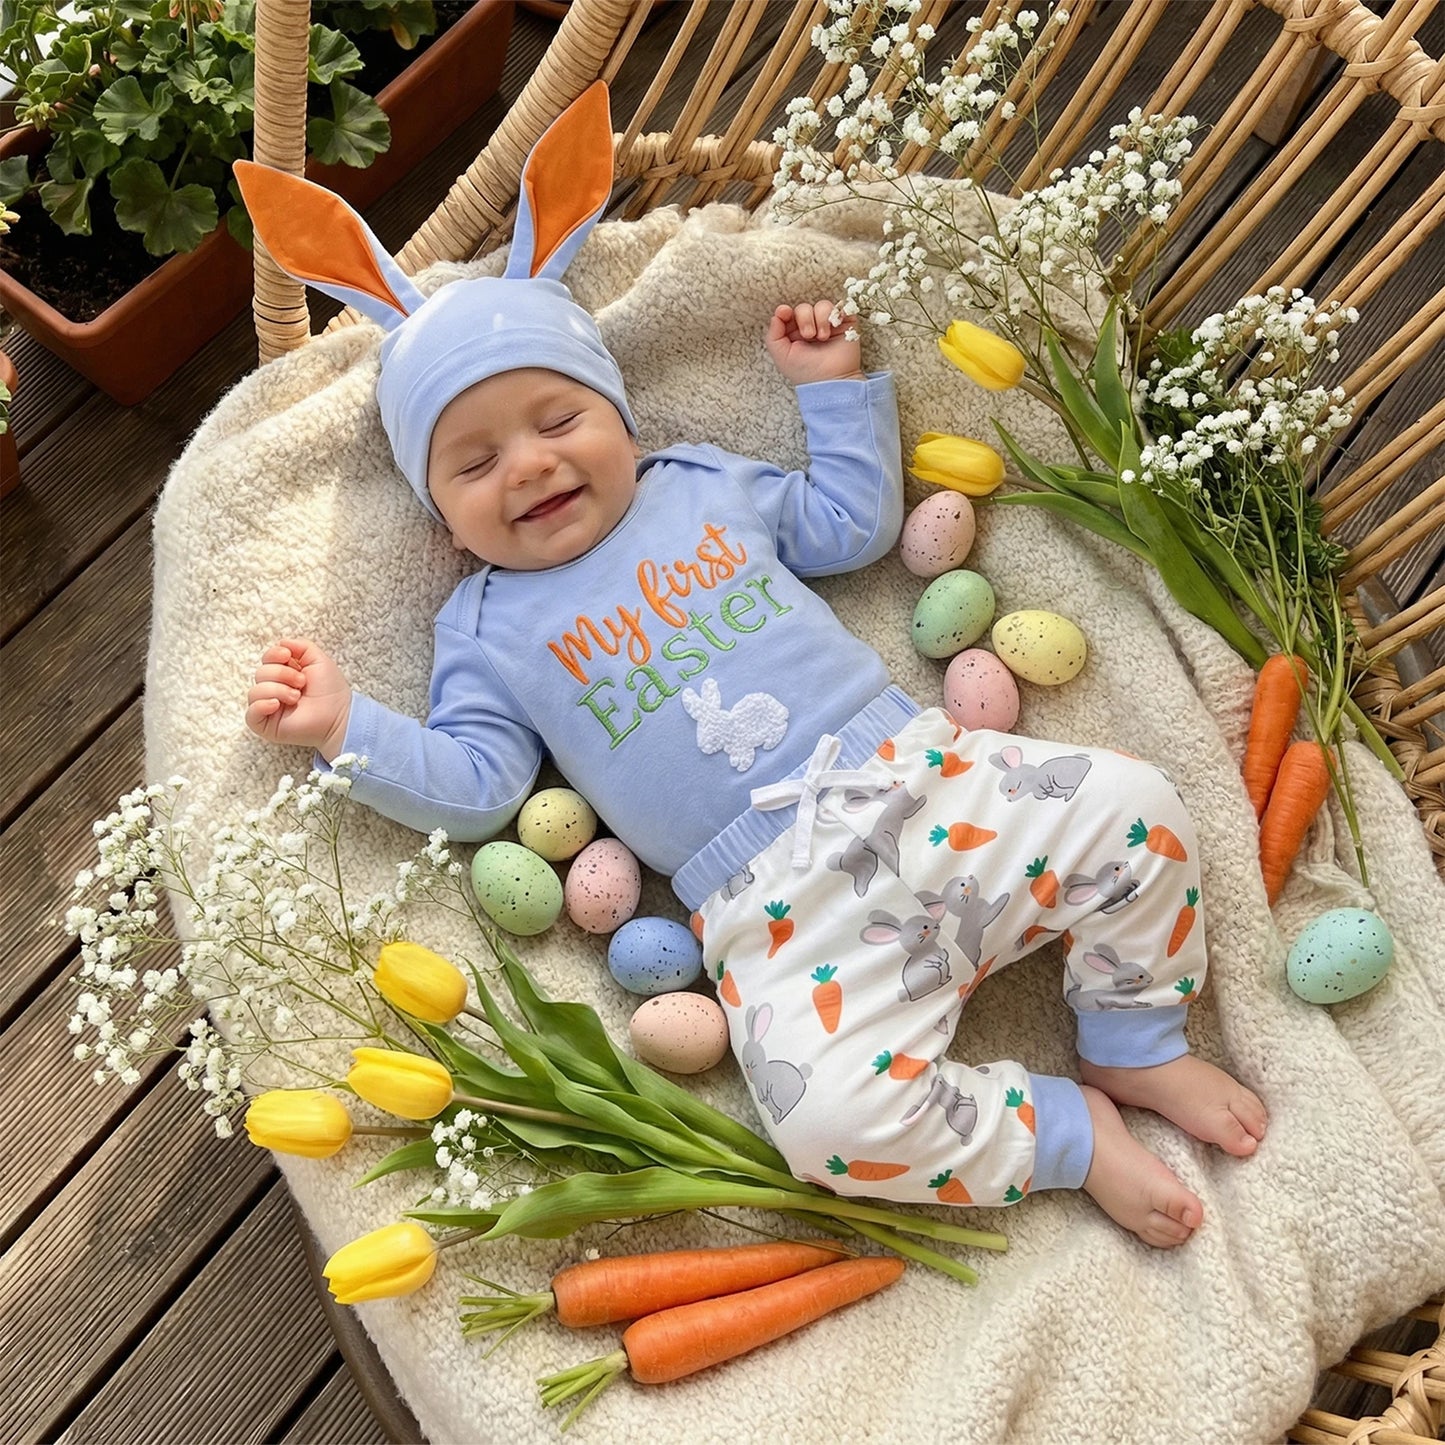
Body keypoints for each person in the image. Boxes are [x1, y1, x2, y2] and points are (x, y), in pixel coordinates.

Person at [235, 85, 1266, 1251]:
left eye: (558, 420)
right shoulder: (483, 628)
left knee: (1135, 806)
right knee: (825, 1128)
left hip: (922, 785)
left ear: (619, 417)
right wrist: (345, 725)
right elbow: (478, 786)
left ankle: (1133, 1041)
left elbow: (847, 528)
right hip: (774, 915)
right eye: (471, 463)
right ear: (441, 516)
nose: (526, 465)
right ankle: (1063, 1131)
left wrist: (828, 393)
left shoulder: (696, 484)